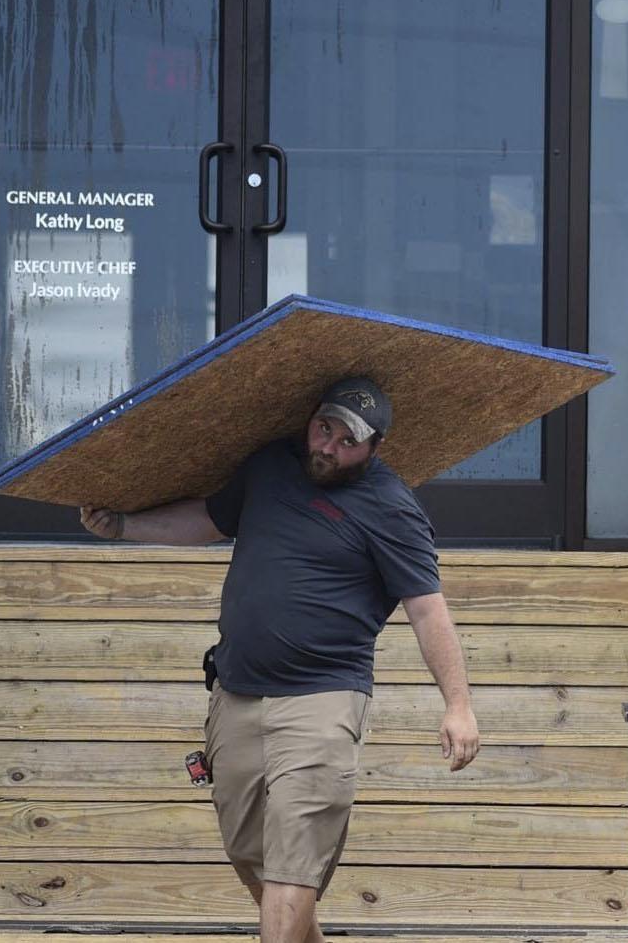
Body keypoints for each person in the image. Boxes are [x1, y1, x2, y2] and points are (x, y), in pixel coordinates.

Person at [78, 376, 477, 943]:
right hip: (235, 693)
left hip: (322, 702)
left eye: (347, 440)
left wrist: (457, 705)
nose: (329, 446)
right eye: (324, 428)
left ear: (374, 447)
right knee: (252, 856)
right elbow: (212, 519)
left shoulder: (391, 507)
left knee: (293, 864)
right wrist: (124, 526)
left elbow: (427, 609)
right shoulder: (269, 465)